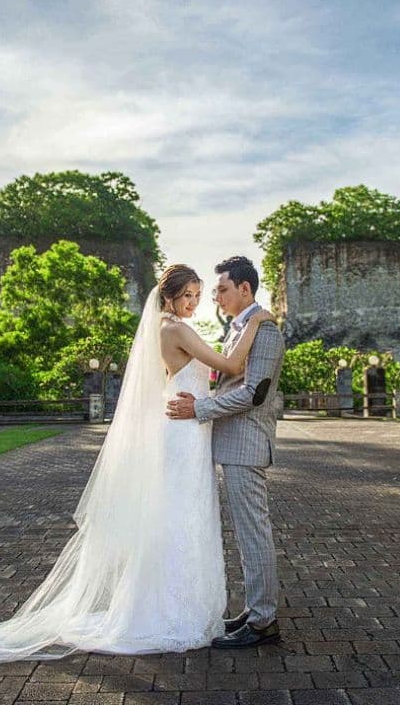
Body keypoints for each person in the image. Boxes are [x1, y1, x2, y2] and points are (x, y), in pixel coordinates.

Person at [0, 264, 273, 666]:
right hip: (183, 433)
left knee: (182, 520)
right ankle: (172, 612)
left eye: (199, 296)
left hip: (188, 431)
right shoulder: (175, 328)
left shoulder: (171, 328)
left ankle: (181, 607)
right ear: (168, 296)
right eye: (188, 296)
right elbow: (232, 366)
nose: (194, 303)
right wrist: (257, 321)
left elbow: (214, 374)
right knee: (180, 520)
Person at [167, 256, 285, 649]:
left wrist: (198, 409)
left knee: (254, 533)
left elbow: (254, 393)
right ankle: (255, 611)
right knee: (248, 533)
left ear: (244, 289)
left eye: (220, 289)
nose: (214, 297)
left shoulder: (264, 332)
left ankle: (264, 620)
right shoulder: (238, 330)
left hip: (247, 444)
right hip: (233, 444)